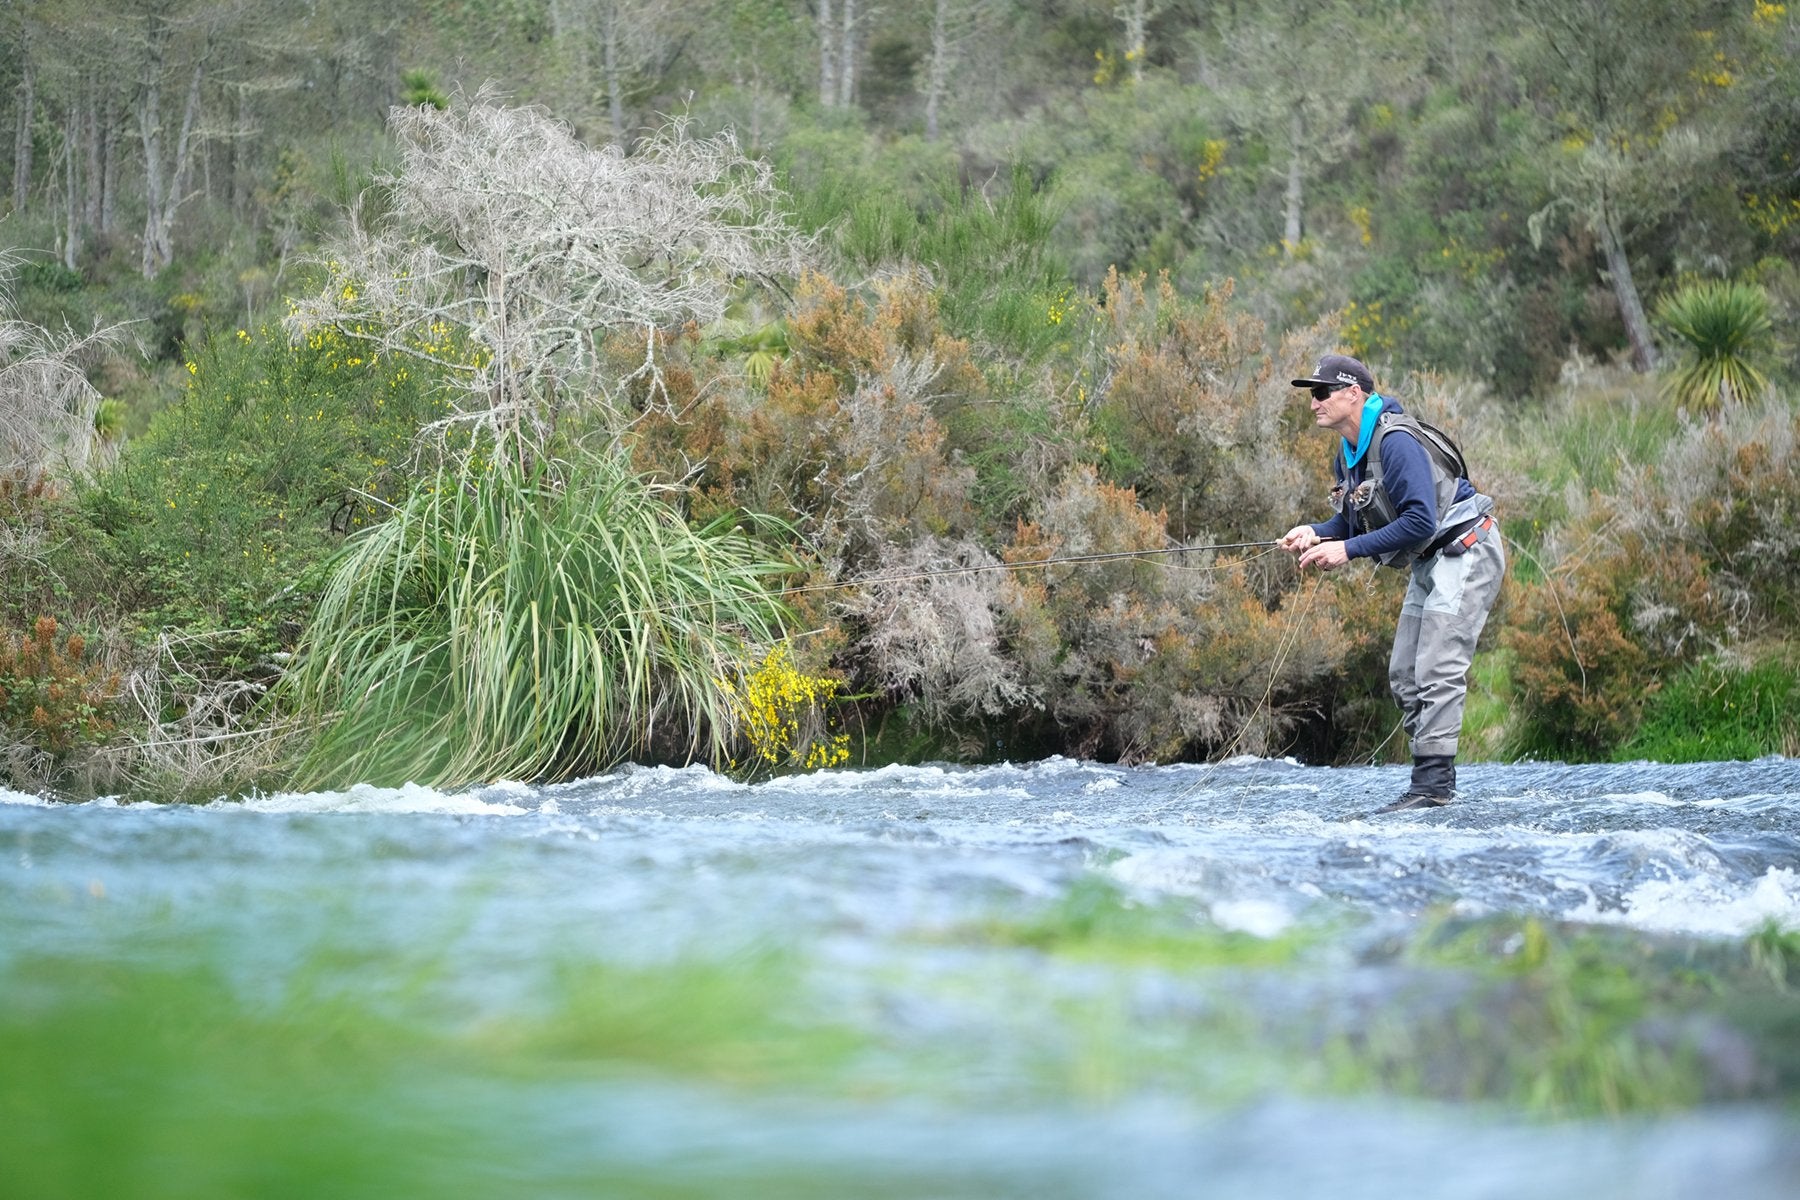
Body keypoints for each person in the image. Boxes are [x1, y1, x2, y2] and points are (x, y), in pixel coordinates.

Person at [1278, 354, 1504, 813]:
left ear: (1354, 393)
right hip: (1432, 559)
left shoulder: (1395, 441)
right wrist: (1315, 532)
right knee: (1404, 675)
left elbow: (1420, 520)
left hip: (1466, 547)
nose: (1313, 402)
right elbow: (1349, 521)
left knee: (1437, 669)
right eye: (1311, 394)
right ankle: (1435, 782)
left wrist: (1348, 550)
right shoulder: (1349, 452)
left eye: (1321, 392)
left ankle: (1433, 789)